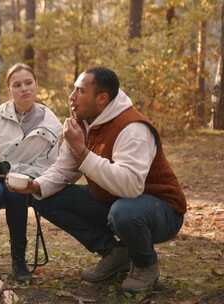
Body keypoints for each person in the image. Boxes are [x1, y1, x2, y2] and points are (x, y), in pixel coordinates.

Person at [11, 67, 187, 292]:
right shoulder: (84, 121)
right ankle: (115, 254)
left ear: (102, 98)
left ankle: (145, 265)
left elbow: (131, 186)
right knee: (44, 197)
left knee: (124, 212)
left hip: (160, 210)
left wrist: (82, 151)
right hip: (115, 201)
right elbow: (64, 169)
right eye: (73, 89)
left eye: (80, 91)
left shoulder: (132, 128)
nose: (72, 97)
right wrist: (35, 185)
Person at [0, 63, 62, 281]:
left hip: (26, 181)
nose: (24, 89)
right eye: (17, 85)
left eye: (28, 82)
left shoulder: (52, 124)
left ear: (36, 84)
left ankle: (18, 261)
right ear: (9, 90)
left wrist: (17, 174)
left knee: (15, 192)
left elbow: (50, 164)